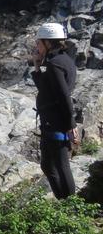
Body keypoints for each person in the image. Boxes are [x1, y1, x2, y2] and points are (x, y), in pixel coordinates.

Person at [32, 22, 78, 199]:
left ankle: (70, 206)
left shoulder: (55, 64)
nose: (37, 47)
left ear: (48, 43)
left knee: (60, 165)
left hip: (56, 122)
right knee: (47, 166)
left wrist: (70, 125)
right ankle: (64, 202)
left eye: (39, 43)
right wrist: (37, 66)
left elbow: (63, 96)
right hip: (52, 121)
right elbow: (47, 89)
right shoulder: (63, 61)